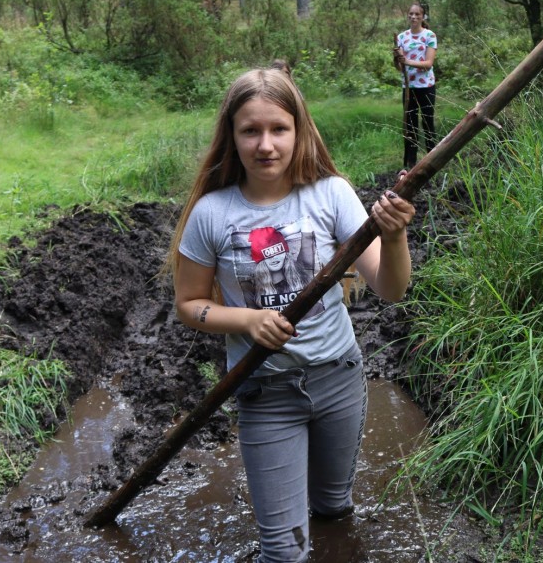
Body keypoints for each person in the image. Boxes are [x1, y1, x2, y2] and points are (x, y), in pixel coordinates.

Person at [167, 66, 416, 562]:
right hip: (265, 391)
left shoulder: (330, 194)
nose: (266, 145)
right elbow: (189, 304)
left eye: (278, 129)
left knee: (333, 509)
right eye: (250, 130)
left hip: (338, 380)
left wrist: (393, 235)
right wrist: (246, 321)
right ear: (231, 136)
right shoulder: (213, 214)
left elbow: (390, 289)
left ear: (298, 130)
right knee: (283, 553)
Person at [394, 3, 438, 169]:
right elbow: (400, 67)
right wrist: (398, 59)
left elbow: (428, 63)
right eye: (411, 14)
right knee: (410, 123)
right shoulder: (401, 37)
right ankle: (410, 163)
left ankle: (432, 160)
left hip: (426, 86)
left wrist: (408, 62)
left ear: (422, 17)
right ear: (408, 15)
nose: (413, 17)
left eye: (417, 14)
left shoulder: (429, 36)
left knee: (427, 122)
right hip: (408, 87)